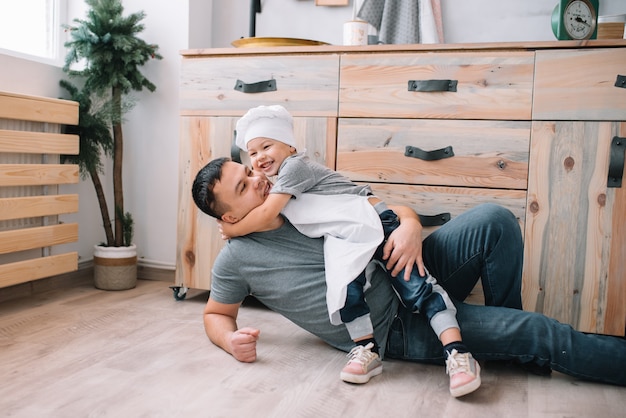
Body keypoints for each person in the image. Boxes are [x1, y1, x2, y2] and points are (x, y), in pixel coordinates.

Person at [192, 158, 626, 390]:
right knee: (541, 333)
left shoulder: (293, 189)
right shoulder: (237, 259)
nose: (258, 179)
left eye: (248, 170)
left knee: (495, 219)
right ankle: (513, 340)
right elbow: (215, 313)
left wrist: (413, 225)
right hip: (392, 325)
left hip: (409, 265)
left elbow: (375, 206)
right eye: (244, 187)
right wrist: (230, 340)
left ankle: (500, 341)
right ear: (228, 217)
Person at [214, 105, 479, 396]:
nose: (259, 159)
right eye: (252, 153)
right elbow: (215, 313)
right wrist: (229, 339)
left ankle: (457, 353)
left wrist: (232, 229)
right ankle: (367, 350)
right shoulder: (278, 193)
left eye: (266, 146)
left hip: (372, 222)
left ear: (290, 146)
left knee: (416, 287)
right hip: (348, 236)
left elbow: (266, 214)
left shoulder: (293, 170)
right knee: (344, 291)